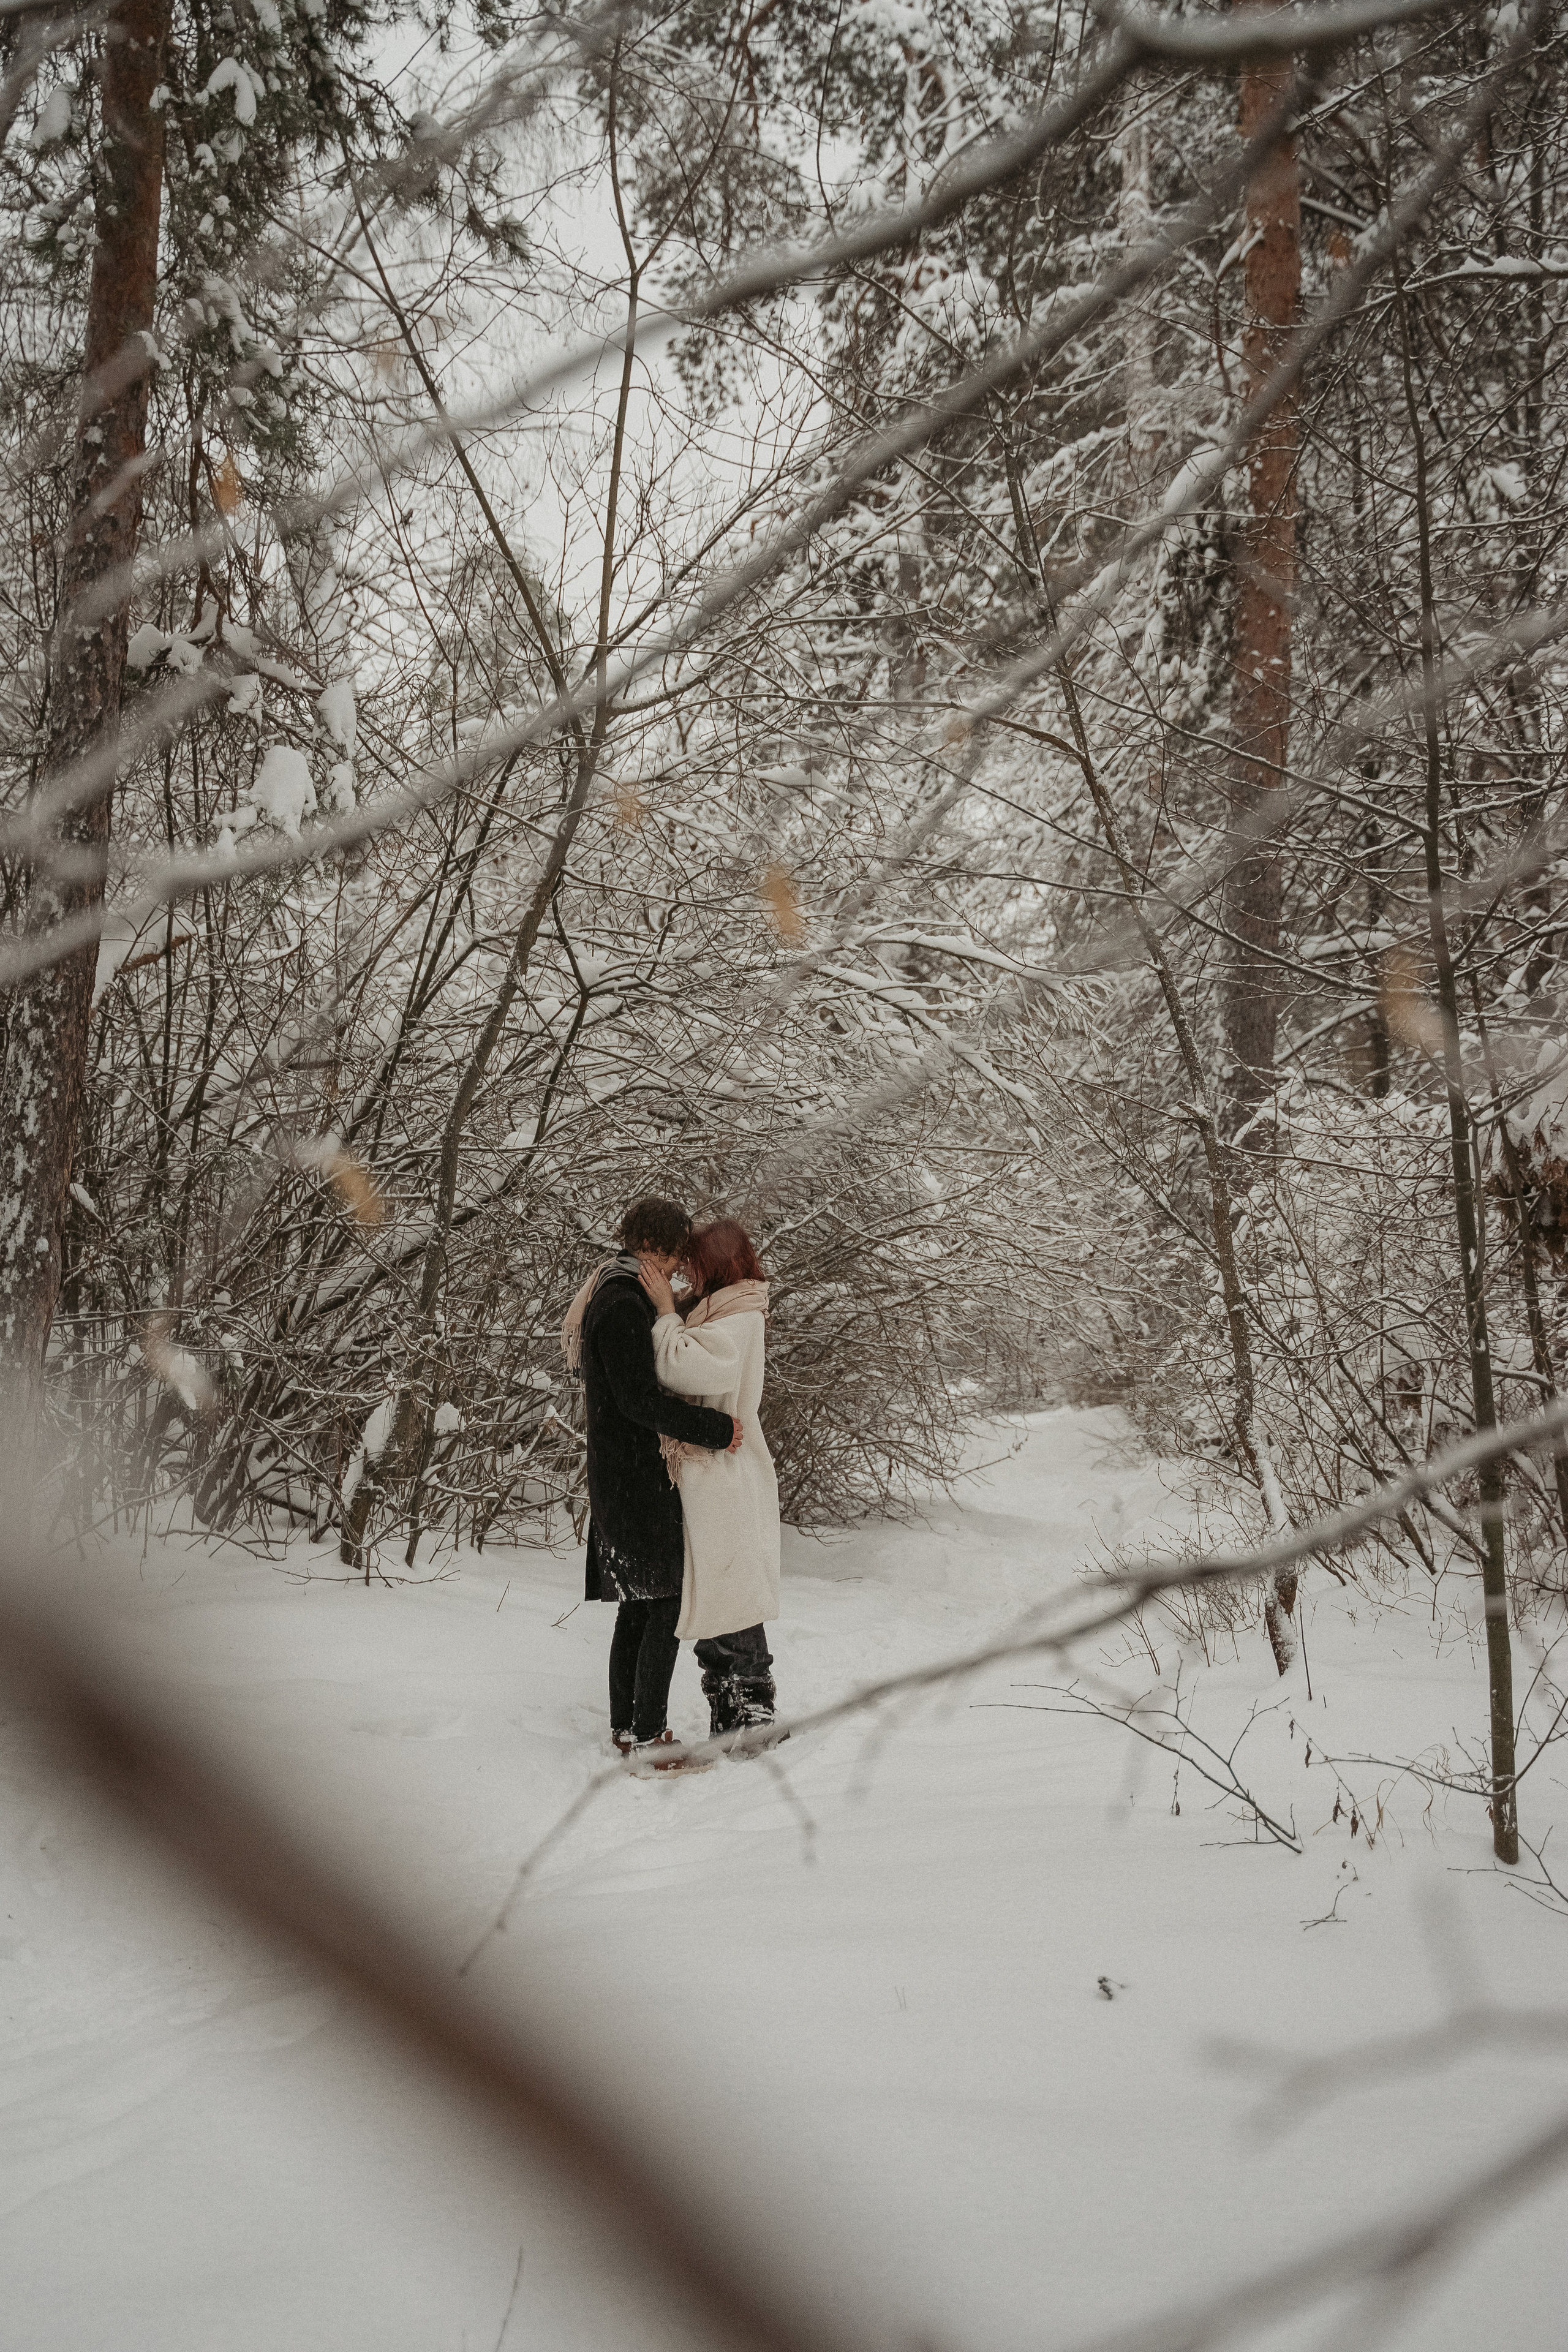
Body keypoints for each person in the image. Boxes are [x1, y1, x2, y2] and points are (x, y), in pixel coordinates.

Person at [561, 1197, 741, 1762]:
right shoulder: (621, 1303)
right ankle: (648, 1737)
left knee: (638, 1605)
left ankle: (626, 1728)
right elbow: (639, 1399)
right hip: (635, 1477)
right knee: (663, 1604)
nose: (677, 1270)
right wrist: (714, 1427)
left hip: (624, 1474)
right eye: (673, 1257)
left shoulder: (613, 1291)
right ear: (656, 1248)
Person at [638, 1217, 781, 1741]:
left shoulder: (739, 1316)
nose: (687, 1272)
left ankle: (751, 1710)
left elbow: (686, 1369)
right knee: (716, 1583)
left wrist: (663, 1314)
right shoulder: (722, 1309)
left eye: (695, 1262)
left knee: (731, 1584)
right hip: (709, 1467)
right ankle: (728, 1706)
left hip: (723, 1468)